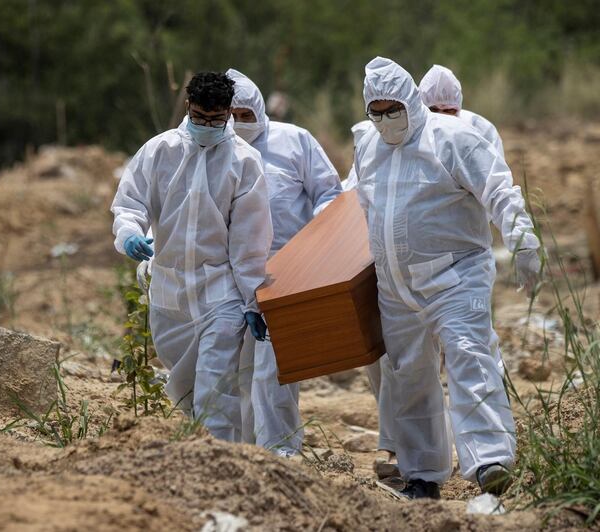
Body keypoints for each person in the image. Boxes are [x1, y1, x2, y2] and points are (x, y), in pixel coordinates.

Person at [352, 57, 541, 499]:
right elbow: (361, 203)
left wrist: (523, 240)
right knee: (409, 377)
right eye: (375, 111)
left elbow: (497, 188)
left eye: (392, 108)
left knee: (469, 357)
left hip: (455, 276)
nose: (385, 119)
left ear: (411, 101)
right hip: (396, 288)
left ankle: (491, 461)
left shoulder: (453, 138)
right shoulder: (368, 146)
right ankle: (423, 475)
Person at [111, 72, 272, 442]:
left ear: (229, 113)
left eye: (216, 120)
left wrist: (252, 299)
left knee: (215, 388)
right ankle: (204, 447)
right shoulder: (159, 151)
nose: (207, 126)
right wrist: (130, 233)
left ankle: (219, 464)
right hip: (169, 289)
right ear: (188, 108)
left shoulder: (244, 162)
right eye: (200, 117)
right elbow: (130, 202)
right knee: (184, 387)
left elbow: (250, 239)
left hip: (221, 290)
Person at [226, 68, 342, 456]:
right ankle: (238, 455)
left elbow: (329, 192)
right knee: (232, 370)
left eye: (246, 115)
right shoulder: (213, 147)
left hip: (284, 271)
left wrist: (313, 248)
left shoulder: (294, 141)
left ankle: (279, 454)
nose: (239, 124)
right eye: (231, 115)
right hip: (229, 273)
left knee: (274, 372)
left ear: (260, 110)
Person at [419, 64, 504, 156]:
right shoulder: (414, 136)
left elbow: (495, 168)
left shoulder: (482, 129)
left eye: (448, 111)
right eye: (433, 110)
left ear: (458, 107)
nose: (441, 117)